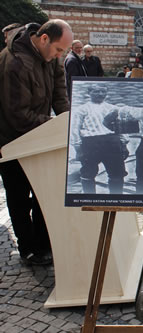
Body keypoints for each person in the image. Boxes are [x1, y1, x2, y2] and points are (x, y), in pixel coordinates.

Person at [0, 19, 73, 265]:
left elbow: (60, 92)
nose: (59, 56)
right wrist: (54, 125)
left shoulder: (50, 56)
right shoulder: (13, 63)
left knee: (45, 194)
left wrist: (67, 121)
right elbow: (17, 115)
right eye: (58, 50)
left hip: (40, 137)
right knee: (19, 197)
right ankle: (28, 248)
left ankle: (44, 244)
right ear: (44, 39)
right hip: (11, 141)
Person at [70, 84, 128, 194]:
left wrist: (124, 145)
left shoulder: (113, 108)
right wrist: (78, 149)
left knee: (117, 173)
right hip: (91, 143)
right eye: (97, 91)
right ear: (89, 93)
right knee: (88, 172)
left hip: (111, 142)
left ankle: (116, 200)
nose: (100, 94)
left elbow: (120, 127)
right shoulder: (81, 110)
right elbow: (74, 130)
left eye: (103, 91)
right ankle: (89, 199)